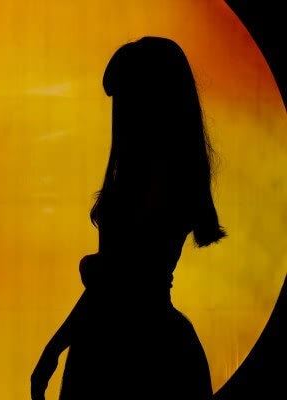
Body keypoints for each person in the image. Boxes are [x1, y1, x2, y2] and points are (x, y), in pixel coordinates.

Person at [31, 36, 226, 400]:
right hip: (131, 343)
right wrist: (57, 345)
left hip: (129, 351)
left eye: (127, 99)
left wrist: (56, 346)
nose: (120, 115)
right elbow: (114, 283)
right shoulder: (166, 176)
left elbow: (117, 283)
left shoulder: (157, 180)